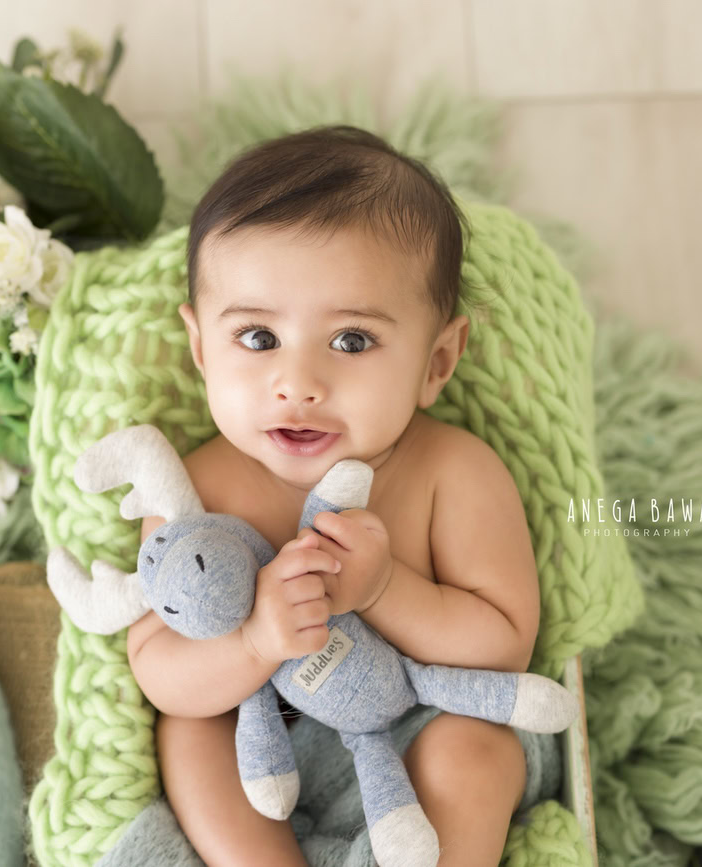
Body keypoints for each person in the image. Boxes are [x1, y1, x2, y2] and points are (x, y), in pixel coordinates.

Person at [126, 125, 542, 866]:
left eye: (350, 341)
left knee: (476, 753)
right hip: (264, 748)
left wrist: (385, 589)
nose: (298, 382)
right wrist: (255, 640)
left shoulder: (454, 471)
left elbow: (507, 640)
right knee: (190, 734)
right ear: (200, 350)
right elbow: (159, 667)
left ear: (437, 361)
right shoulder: (197, 489)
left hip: (421, 721)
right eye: (257, 338)